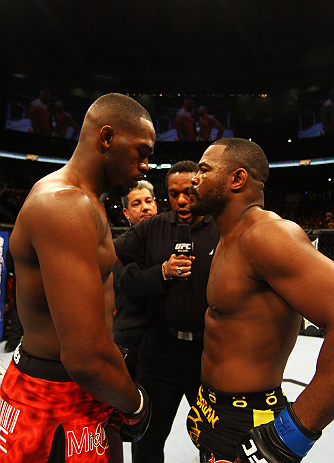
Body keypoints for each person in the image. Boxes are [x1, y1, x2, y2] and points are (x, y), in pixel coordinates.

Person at [0, 93, 156, 462]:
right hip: (56, 394)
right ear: (106, 138)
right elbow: (84, 356)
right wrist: (137, 403)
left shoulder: (88, 202)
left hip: (89, 388)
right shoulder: (64, 204)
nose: (146, 165)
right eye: (141, 151)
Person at [187, 137, 334, 463]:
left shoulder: (266, 236)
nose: (193, 179)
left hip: (253, 419)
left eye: (204, 169)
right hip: (213, 411)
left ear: (237, 179)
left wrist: (295, 432)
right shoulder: (228, 237)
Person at [114, 160, 220, 463]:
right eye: (174, 194)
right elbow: (107, 256)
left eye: (189, 192)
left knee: (215, 443)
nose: (182, 200)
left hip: (210, 353)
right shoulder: (153, 227)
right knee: (146, 438)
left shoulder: (223, 225)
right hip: (161, 352)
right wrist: (159, 272)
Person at [114, 180, 158, 380]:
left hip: (165, 338)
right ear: (126, 213)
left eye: (148, 201)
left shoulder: (174, 240)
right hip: (131, 337)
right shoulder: (118, 247)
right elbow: (131, 284)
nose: (145, 207)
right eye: (136, 203)